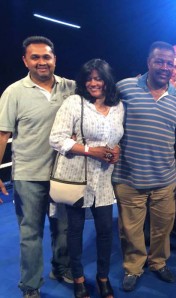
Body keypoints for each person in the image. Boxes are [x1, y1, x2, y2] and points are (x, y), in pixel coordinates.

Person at [113, 41, 176, 292]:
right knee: (130, 230)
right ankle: (133, 267)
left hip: (165, 179)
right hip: (128, 177)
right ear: (149, 62)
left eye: (170, 63)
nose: (165, 67)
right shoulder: (124, 88)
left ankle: (158, 263)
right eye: (160, 61)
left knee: (162, 228)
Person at [0, 36, 74, 298]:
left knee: (63, 228)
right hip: (28, 176)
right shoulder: (13, 92)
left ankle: (61, 267)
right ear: (25, 60)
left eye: (47, 57)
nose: (42, 62)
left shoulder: (70, 88)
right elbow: (2, 134)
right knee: (30, 233)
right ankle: (30, 286)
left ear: (54, 59)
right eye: (35, 57)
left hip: (63, 175)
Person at [49, 58, 124, 298]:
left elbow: (117, 137)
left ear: (107, 79)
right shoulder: (74, 103)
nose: (93, 83)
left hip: (103, 179)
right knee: (75, 230)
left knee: (105, 231)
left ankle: (103, 279)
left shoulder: (118, 106)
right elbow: (57, 138)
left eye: (98, 78)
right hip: (76, 177)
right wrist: (92, 151)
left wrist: (116, 151)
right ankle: (79, 279)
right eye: (89, 78)